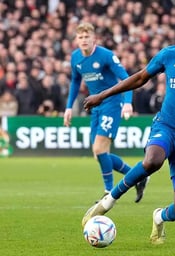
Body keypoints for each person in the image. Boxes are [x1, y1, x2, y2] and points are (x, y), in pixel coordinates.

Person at [81, 14, 175, 245]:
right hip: (166, 126)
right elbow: (139, 78)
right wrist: (102, 95)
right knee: (152, 161)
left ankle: (159, 216)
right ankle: (109, 200)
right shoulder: (170, 54)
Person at [63, 22, 148, 204]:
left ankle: (109, 192)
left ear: (94, 38)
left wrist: (127, 103)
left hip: (112, 102)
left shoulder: (106, 56)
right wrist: (69, 106)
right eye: (81, 37)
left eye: (87, 37)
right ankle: (138, 176)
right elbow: (75, 82)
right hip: (95, 106)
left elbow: (126, 79)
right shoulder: (75, 58)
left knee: (99, 148)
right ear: (76, 40)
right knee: (99, 154)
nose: (84, 40)